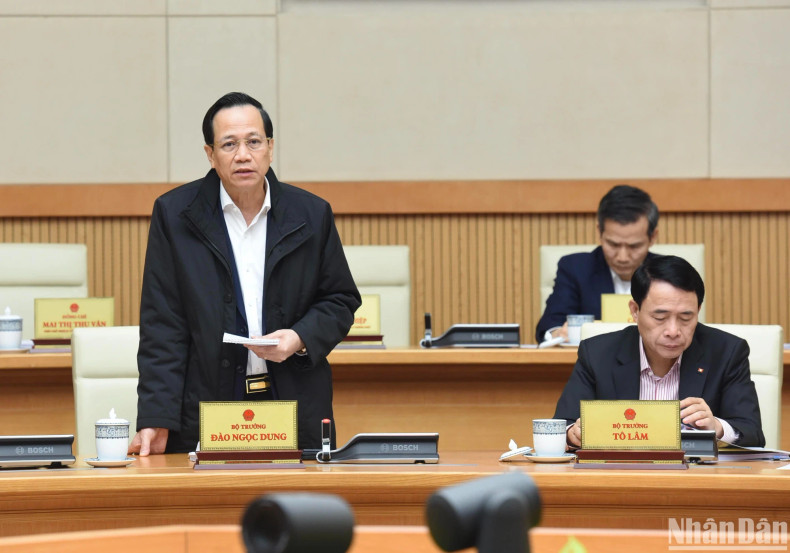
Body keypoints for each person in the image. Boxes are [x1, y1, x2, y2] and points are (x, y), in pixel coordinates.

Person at [128, 92, 361, 456]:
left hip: (294, 402)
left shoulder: (311, 214)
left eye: (253, 142)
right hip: (209, 403)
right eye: (229, 144)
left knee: (295, 510)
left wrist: (299, 337)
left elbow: (340, 299)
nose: (243, 155)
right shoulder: (175, 216)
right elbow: (163, 325)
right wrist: (157, 417)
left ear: (270, 147)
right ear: (210, 154)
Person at [554, 255, 764, 448]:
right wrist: (573, 433)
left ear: (698, 311)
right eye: (660, 318)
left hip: (695, 478)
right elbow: (562, 425)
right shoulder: (597, 353)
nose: (673, 331)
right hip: (619, 475)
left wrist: (717, 427)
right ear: (635, 311)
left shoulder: (726, 352)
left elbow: (752, 432)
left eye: (685, 318)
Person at [535, 184, 659, 343]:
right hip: (594, 366)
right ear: (600, 232)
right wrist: (558, 333)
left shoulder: (668, 273)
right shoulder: (576, 269)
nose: (622, 257)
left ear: (653, 237)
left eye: (634, 246)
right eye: (613, 244)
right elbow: (549, 325)